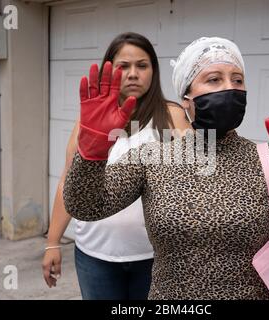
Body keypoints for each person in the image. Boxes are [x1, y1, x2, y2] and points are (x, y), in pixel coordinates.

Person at [63, 36, 269, 299]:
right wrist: (91, 152)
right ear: (187, 97)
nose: (229, 88)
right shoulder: (153, 158)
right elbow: (86, 206)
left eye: (237, 80)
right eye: (214, 79)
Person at [42, 32, 190, 300]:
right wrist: (53, 242)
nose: (133, 73)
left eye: (142, 65)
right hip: (94, 255)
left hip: (153, 257)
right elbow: (67, 182)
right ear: (109, 71)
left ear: (153, 71)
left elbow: (195, 177)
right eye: (123, 66)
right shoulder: (88, 123)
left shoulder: (171, 116)